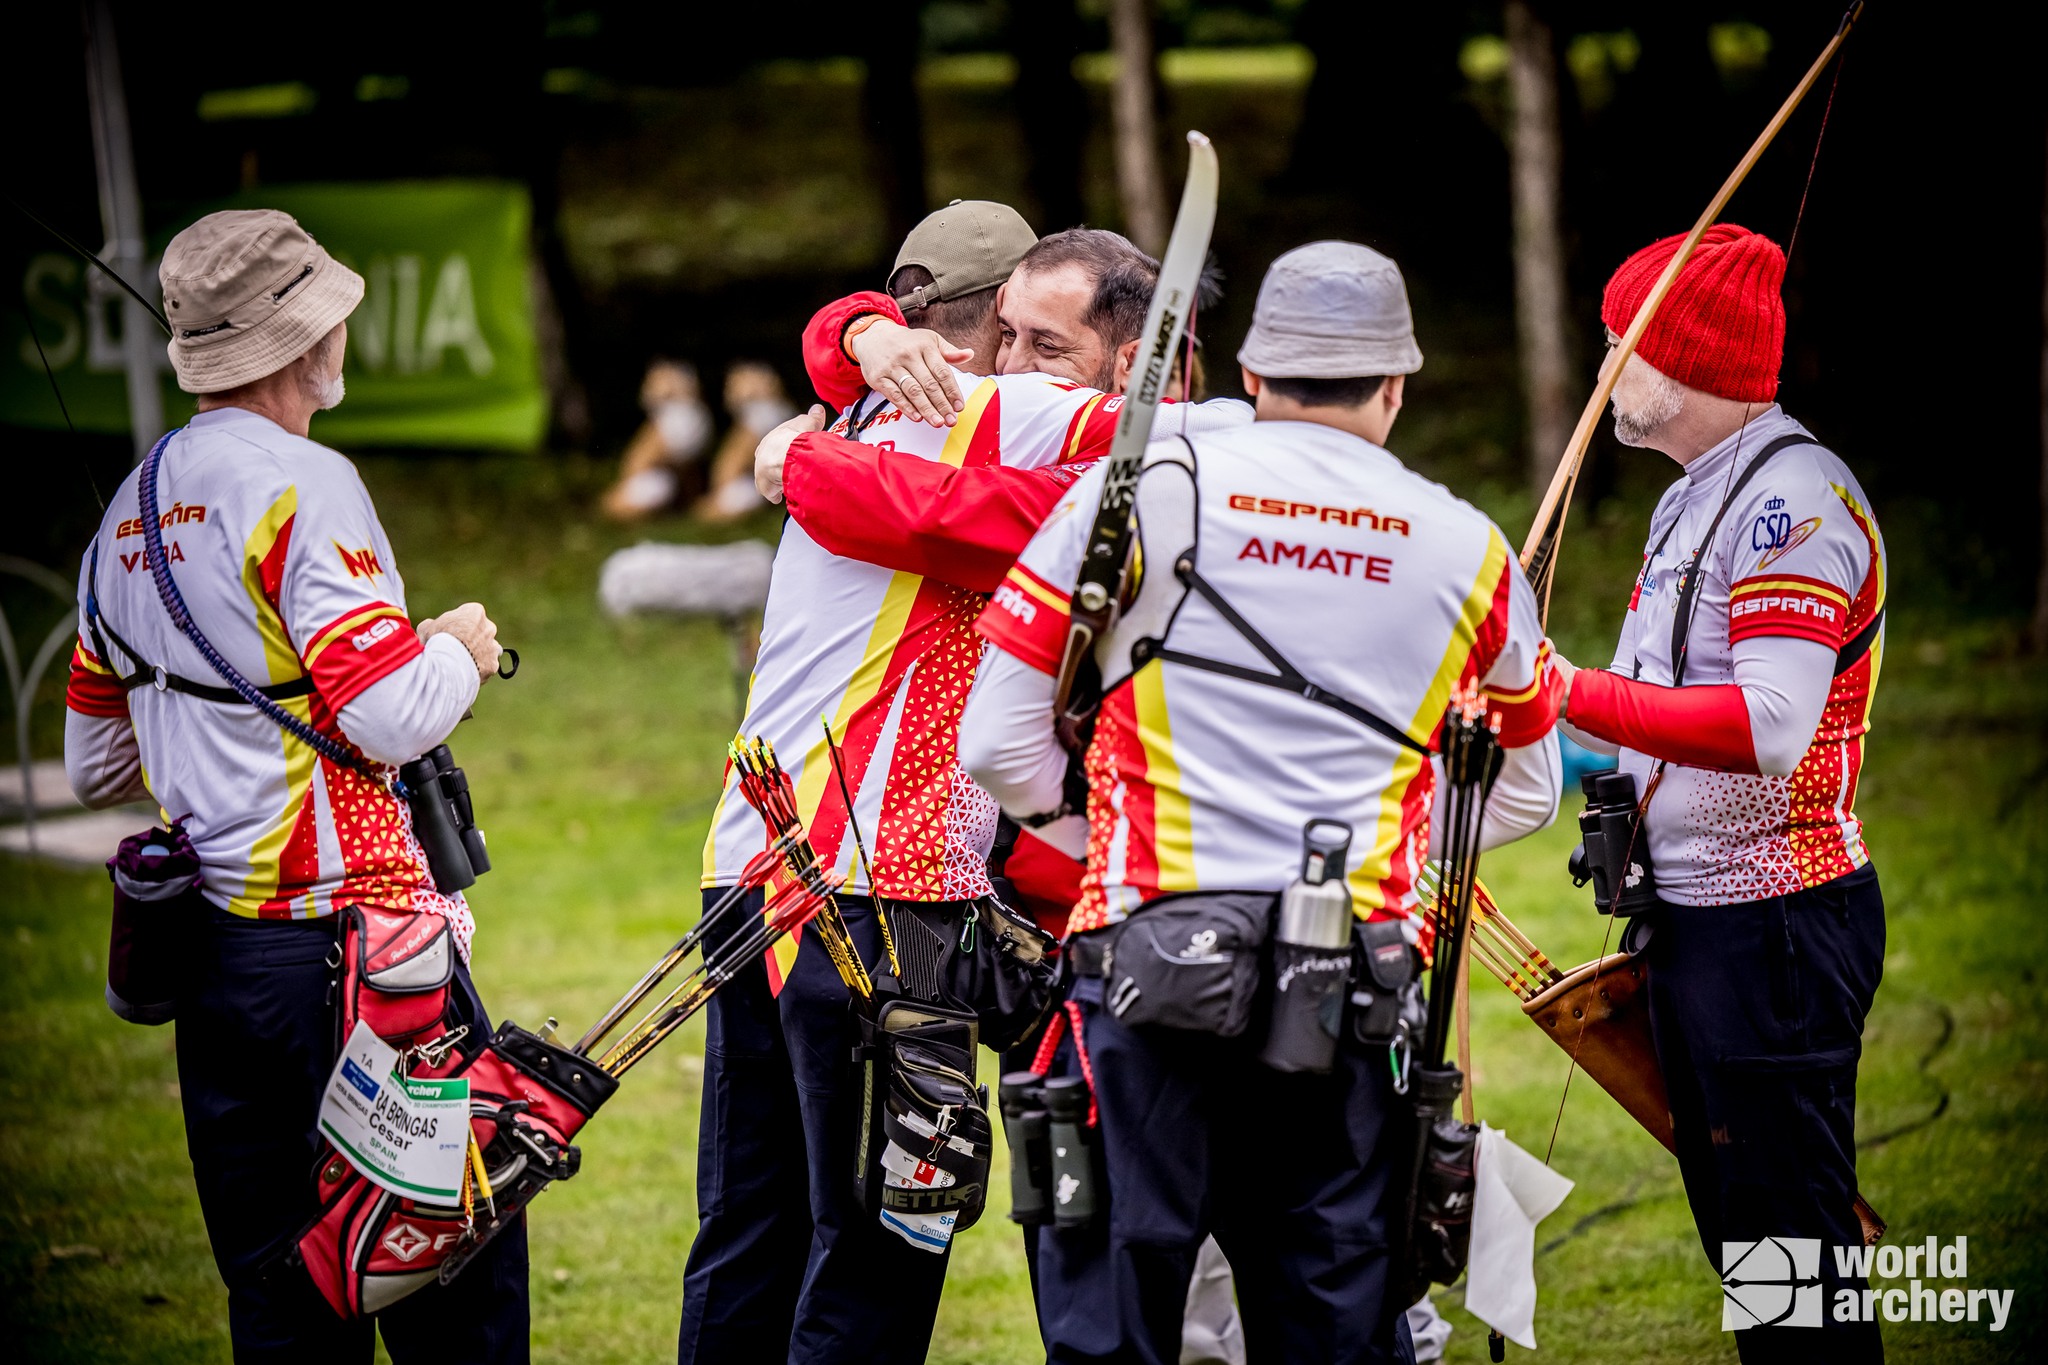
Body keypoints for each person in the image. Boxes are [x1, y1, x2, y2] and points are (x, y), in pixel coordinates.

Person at [958, 241, 1565, 1365]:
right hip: (1352, 988)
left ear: (1248, 375)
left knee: (1111, 1317)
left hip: (1144, 960)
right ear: (1396, 386)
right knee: (1334, 1320)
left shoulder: (1137, 493)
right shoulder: (1467, 548)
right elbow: (1519, 791)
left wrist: (1095, 835)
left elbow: (996, 740)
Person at [686, 203, 1246, 1365]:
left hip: (753, 875)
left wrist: (834, 368)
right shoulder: (999, 411)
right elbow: (1200, 455)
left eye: (1050, 342)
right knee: (884, 1248)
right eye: (1020, 334)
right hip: (874, 892)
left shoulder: (862, 411)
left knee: (754, 1231)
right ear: (979, 330)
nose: (1027, 360)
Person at [62, 209, 526, 1361]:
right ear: (302, 343)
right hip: (361, 962)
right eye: (333, 315)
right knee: (447, 1279)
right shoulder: (304, 483)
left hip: (220, 966)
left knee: (279, 1294)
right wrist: (455, 652)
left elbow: (94, 762)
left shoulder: (126, 512)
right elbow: (386, 714)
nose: (343, 332)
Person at [1549, 224, 1887, 1362]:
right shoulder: (1694, 494)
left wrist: (1564, 689)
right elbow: (1641, 701)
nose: (1603, 363)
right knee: (1747, 1245)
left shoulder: (1793, 501)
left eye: (1620, 340)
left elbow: (1769, 725)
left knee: (1791, 1256)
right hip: (1700, 923)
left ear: (1681, 357)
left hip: (1774, 924)